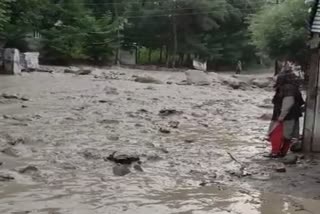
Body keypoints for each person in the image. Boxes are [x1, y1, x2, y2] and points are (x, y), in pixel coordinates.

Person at [266, 70, 305, 158]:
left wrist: (281, 116)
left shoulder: (287, 88)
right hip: (292, 115)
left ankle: (275, 152)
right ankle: (282, 153)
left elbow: (288, 102)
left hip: (285, 116)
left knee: (275, 133)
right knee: (287, 135)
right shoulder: (293, 87)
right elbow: (299, 103)